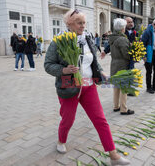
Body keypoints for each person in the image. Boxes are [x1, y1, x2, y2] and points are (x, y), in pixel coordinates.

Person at [44, 9, 130, 165]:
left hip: (89, 86)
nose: (83, 26)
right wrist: (64, 70)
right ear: (69, 24)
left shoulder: (88, 37)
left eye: (84, 22)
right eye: (79, 23)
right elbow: (48, 65)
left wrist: (101, 72)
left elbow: (93, 60)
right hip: (69, 85)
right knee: (68, 119)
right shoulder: (59, 41)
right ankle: (61, 140)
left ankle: (113, 155)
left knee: (100, 120)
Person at [109, 18, 135, 115]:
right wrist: (132, 54)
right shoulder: (122, 39)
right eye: (124, 26)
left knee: (116, 87)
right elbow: (126, 54)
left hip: (114, 64)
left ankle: (116, 106)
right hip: (122, 65)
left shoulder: (112, 37)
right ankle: (123, 109)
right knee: (124, 88)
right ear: (122, 28)